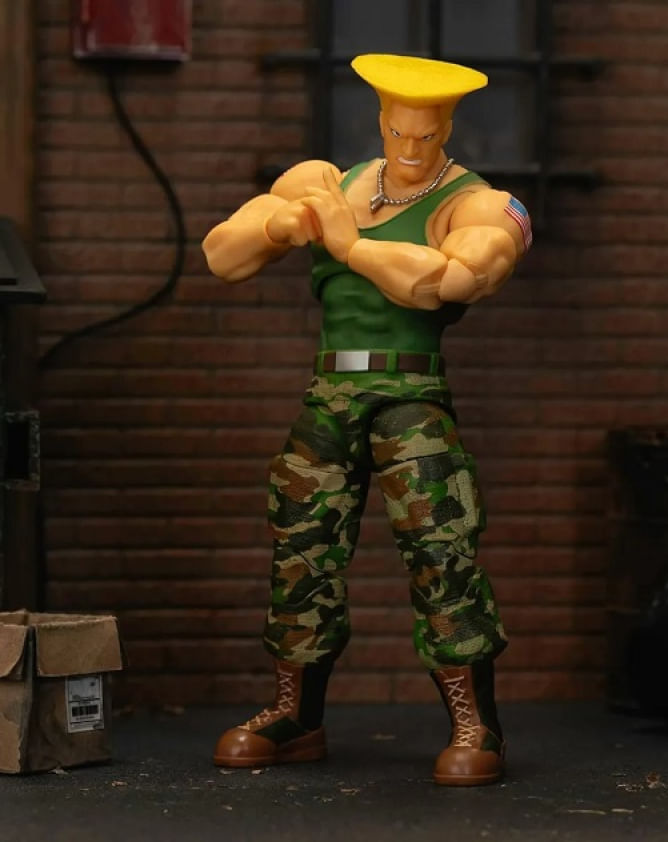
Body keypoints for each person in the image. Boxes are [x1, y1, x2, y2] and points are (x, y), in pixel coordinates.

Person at [202, 53, 531, 786]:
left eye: (426, 135)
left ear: (446, 129)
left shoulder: (474, 202)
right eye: (398, 132)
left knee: (441, 547)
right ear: (380, 122)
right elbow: (222, 255)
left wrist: (350, 246)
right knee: (302, 547)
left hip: (411, 394)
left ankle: (476, 724)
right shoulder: (327, 182)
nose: (410, 147)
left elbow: (457, 278)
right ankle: (295, 716)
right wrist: (284, 225)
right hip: (330, 393)